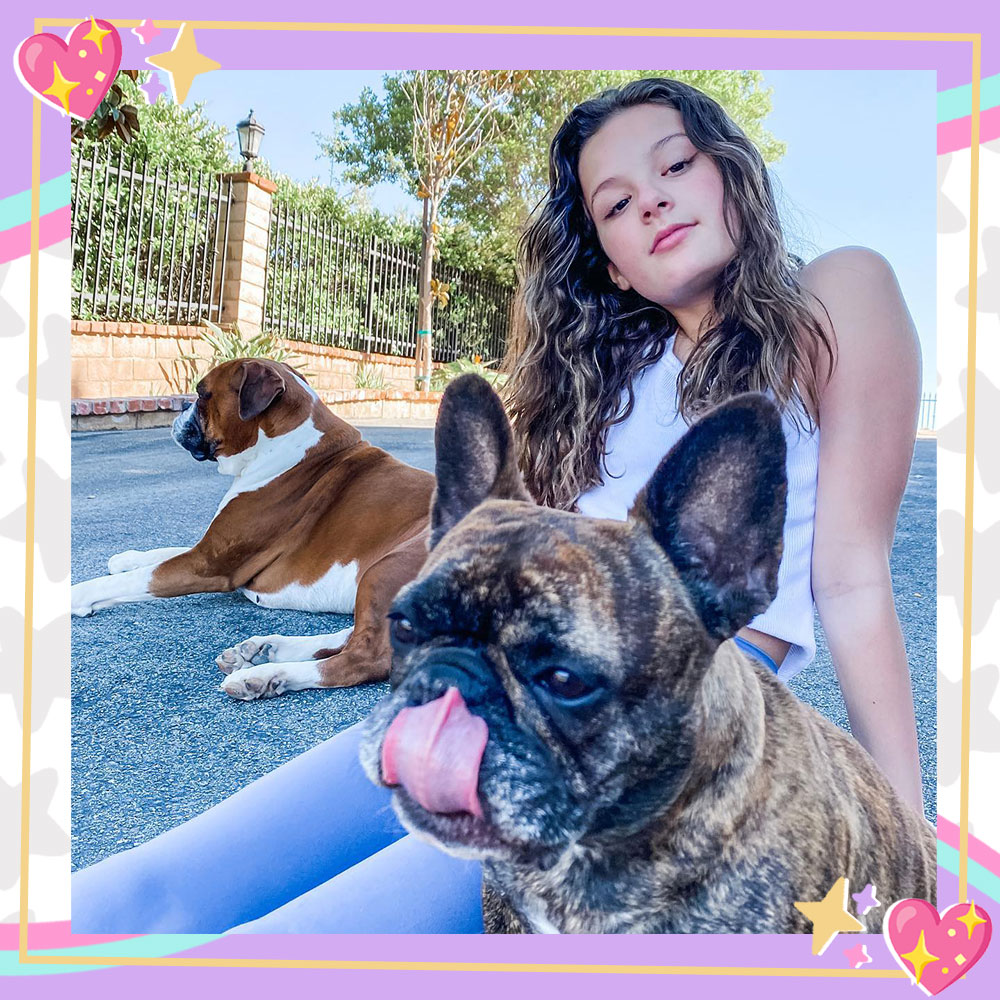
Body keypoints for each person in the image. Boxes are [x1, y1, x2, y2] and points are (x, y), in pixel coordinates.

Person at [72, 77, 925, 935]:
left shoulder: (834, 292)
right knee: (156, 886)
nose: (654, 198)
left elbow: (852, 579)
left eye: (678, 163)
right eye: (617, 203)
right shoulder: (604, 377)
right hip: (483, 687)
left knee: (281, 950)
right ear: (612, 265)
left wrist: (905, 840)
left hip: (649, 718)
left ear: (735, 171)